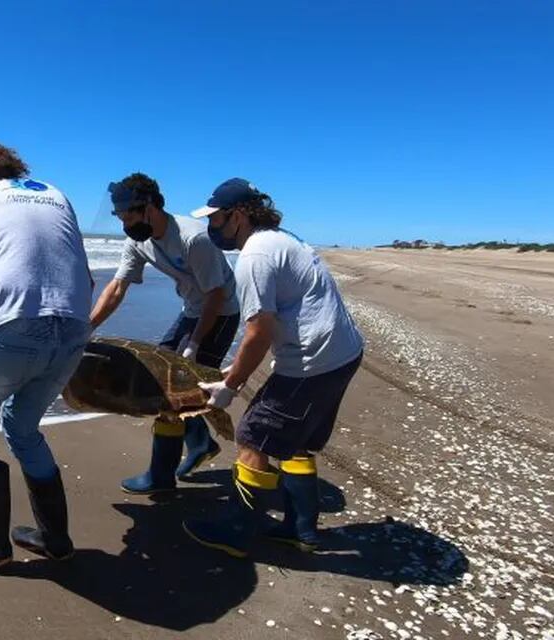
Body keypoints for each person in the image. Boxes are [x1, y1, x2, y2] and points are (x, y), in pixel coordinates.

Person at [182, 178, 363, 558]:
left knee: (253, 435)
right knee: (295, 441)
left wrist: (230, 384)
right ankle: (301, 531)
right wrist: (235, 371)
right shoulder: (281, 239)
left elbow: (258, 332)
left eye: (217, 219)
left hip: (313, 361)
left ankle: (236, 530)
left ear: (240, 215)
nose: (212, 227)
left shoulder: (255, 256)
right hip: (341, 353)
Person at [0, 141, 93, 569]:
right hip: (74, 324)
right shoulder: (55, 192)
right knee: (23, 428)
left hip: (16, 325)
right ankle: (55, 538)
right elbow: (80, 271)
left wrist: (8, 329)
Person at [90, 173, 240, 494]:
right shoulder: (137, 242)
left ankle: (161, 476)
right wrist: (85, 328)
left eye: (130, 214)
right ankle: (200, 443)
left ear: (151, 206)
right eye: (120, 216)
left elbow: (215, 296)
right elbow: (117, 288)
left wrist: (196, 342)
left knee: (173, 392)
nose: (125, 223)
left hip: (222, 312)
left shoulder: (193, 238)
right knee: (155, 379)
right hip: (191, 309)